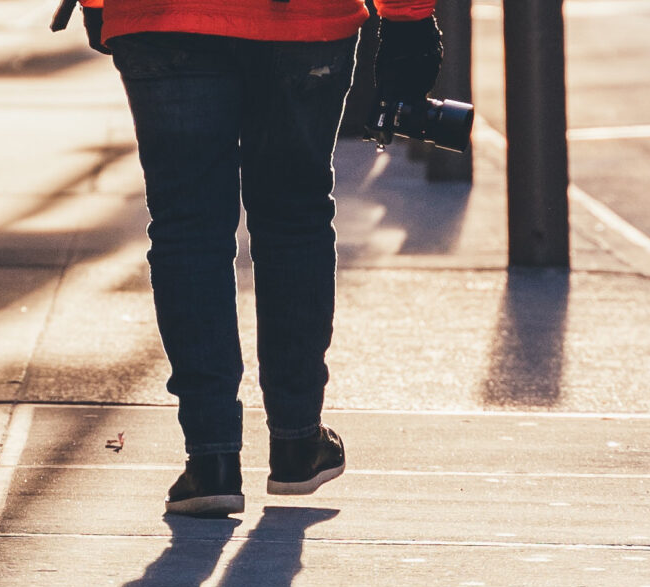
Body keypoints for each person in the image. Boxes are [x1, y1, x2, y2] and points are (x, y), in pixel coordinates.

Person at [80, 0, 441, 516]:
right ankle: (297, 442)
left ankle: (211, 460)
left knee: (187, 224)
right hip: (302, 21)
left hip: (162, 19)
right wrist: (409, 18)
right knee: (294, 216)